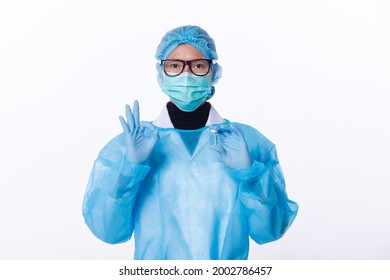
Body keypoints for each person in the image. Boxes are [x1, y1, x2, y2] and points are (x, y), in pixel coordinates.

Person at [82, 25, 298, 260]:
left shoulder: (246, 143)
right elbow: (108, 231)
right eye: (174, 65)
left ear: (212, 72)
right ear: (161, 71)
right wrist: (128, 171)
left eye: (197, 65)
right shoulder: (130, 145)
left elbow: (269, 231)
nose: (186, 76)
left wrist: (250, 175)